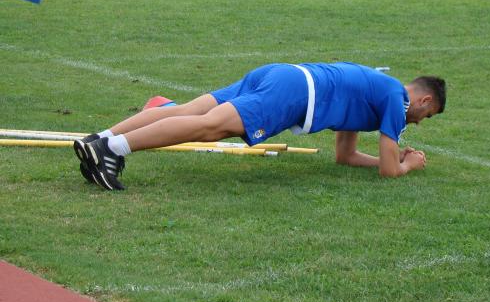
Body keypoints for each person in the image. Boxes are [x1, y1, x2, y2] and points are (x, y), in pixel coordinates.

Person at [74, 62, 446, 191]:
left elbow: (345, 156)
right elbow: (387, 170)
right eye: (425, 116)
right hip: (295, 93)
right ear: (424, 100)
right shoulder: (397, 100)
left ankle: (100, 139)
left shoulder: (376, 92)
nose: (418, 122)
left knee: (189, 110)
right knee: (208, 127)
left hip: (282, 75)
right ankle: (112, 150)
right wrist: (406, 164)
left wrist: (391, 161)